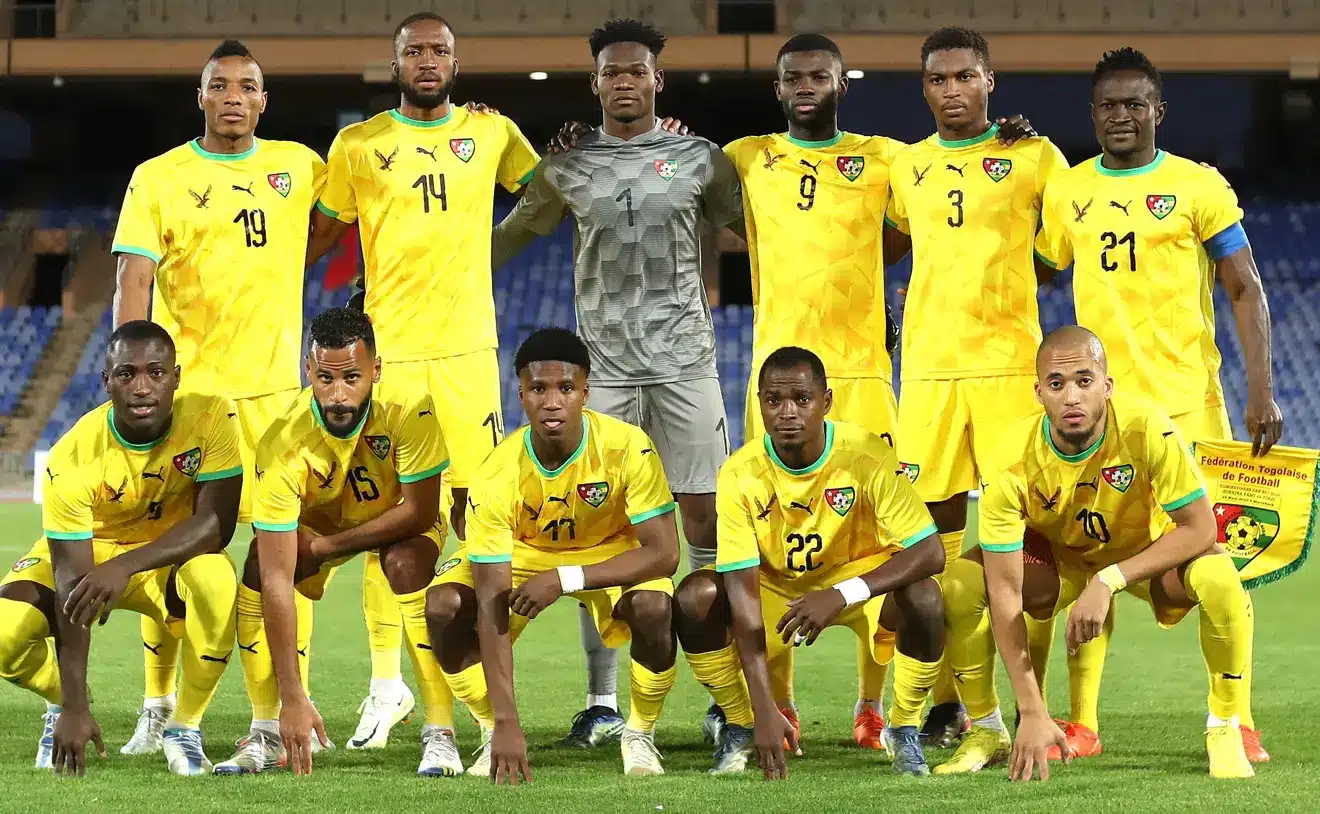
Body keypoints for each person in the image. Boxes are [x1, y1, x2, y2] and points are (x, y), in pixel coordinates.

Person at [490, 18, 741, 748]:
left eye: (637, 71)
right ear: (594, 82)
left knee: (705, 527)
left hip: (687, 361)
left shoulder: (700, 158)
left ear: (658, 80)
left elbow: (755, 231)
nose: (624, 82)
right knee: (597, 530)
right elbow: (510, 236)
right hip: (602, 368)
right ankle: (602, 703)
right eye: (611, 72)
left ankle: (724, 696)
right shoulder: (566, 165)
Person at [1031, 47, 1281, 763]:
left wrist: (1259, 391)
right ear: (1093, 113)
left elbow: (1245, 287)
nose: (1121, 115)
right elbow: (1035, 265)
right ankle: (1081, 724)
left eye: (1135, 103)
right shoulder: (1070, 192)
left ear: (1157, 112)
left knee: (1213, 571)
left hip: (1190, 412)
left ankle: (1235, 716)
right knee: (1084, 559)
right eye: (1109, 104)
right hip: (1101, 419)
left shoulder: (1198, 185)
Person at [306, 11, 539, 750]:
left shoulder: (494, 133)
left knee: (475, 522)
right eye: (415, 50)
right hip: (393, 357)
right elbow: (315, 237)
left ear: (456, 60)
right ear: (396, 61)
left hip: (470, 354)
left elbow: (552, 191)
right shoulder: (358, 144)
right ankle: (389, 685)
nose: (428, 60)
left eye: (439, 49)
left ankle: (476, 675)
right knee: (392, 521)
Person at [110, 39, 324, 756]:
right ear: (199, 96)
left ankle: (274, 717)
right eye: (219, 84)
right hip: (191, 398)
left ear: (265, 100)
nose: (233, 95)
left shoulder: (299, 165)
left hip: (274, 401)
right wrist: (129, 379)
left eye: (247, 86)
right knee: (166, 553)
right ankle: (157, 705)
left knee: (277, 558)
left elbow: (343, 219)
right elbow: (133, 281)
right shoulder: (158, 176)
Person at [940, 326, 1257, 780]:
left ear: (1107, 387)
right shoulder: (1010, 456)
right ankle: (988, 729)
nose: (1071, 396)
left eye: (1084, 381)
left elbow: (1202, 527)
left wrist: (1109, 579)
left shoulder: (1147, 428)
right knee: (960, 585)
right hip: (1061, 557)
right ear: (1039, 393)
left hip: (1146, 553)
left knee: (1220, 578)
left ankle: (1224, 727)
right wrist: (1031, 708)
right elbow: (1005, 590)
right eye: (1056, 384)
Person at [882, 26, 1070, 749]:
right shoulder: (908, 166)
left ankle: (1036, 708)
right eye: (937, 79)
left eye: (964, 76)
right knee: (927, 542)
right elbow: (895, 245)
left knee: (1025, 544)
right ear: (923, 87)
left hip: (1006, 371)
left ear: (990, 80)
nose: (951, 90)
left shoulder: (1033, 155)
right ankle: (944, 701)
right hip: (927, 371)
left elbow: (1057, 253)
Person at [675, 346, 946, 777]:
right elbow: (741, 596)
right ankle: (741, 724)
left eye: (801, 400)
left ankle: (904, 727)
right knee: (695, 596)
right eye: (773, 401)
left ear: (825, 402)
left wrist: (842, 593)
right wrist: (761, 710)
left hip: (856, 582)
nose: (787, 413)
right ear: (759, 403)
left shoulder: (865, 454)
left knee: (926, 597)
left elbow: (931, 551)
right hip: (777, 591)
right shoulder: (739, 473)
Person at [424, 328, 681, 781]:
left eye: (565, 388)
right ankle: (490, 730)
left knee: (654, 605)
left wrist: (566, 578)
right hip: (521, 552)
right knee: (444, 606)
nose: (552, 401)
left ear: (586, 391)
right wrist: (506, 721)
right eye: (538, 389)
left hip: (608, 550)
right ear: (520, 393)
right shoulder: (497, 471)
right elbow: (489, 601)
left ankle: (640, 732)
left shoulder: (628, 447)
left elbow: (664, 554)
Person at [212, 308, 454, 777]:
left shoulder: (411, 409)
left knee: (405, 564)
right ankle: (267, 731)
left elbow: (421, 513)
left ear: (376, 371)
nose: (338, 394)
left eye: (352, 377)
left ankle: (440, 734)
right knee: (260, 571)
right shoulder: (281, 443)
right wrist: (292, 698)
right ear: (308, 370)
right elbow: (280, 578)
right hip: (321, 523)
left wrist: (324, 549)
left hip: (397, 519)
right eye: (325, 378)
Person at [0, 322, 242, 776]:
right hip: (89, 557)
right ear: (106, 381)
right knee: (2, 633)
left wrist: (126, 567)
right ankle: (60, 704)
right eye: (127, 374)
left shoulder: (212, 416)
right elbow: (71, 582)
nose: (142, 388)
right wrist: (73, 704)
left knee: (216, 580)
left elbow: (215, 525)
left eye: (156, 372)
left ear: (176, 376)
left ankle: (184, 726)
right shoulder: (71, 456)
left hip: (163, 560)